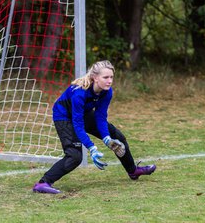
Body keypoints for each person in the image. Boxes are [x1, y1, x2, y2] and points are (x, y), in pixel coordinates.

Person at [33, 60, 156, 194]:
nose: (109, 81)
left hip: (83, 113)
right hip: (64, 116)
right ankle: (43, 183)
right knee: (75, 156)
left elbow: (100, 117)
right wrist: (92, 148)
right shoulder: (79, 92)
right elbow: (78, 124)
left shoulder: (107, 92)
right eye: (105, 77)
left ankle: (133, 171)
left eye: (111, 77)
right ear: (95, 78)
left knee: (117, 137)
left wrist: (107, 138)